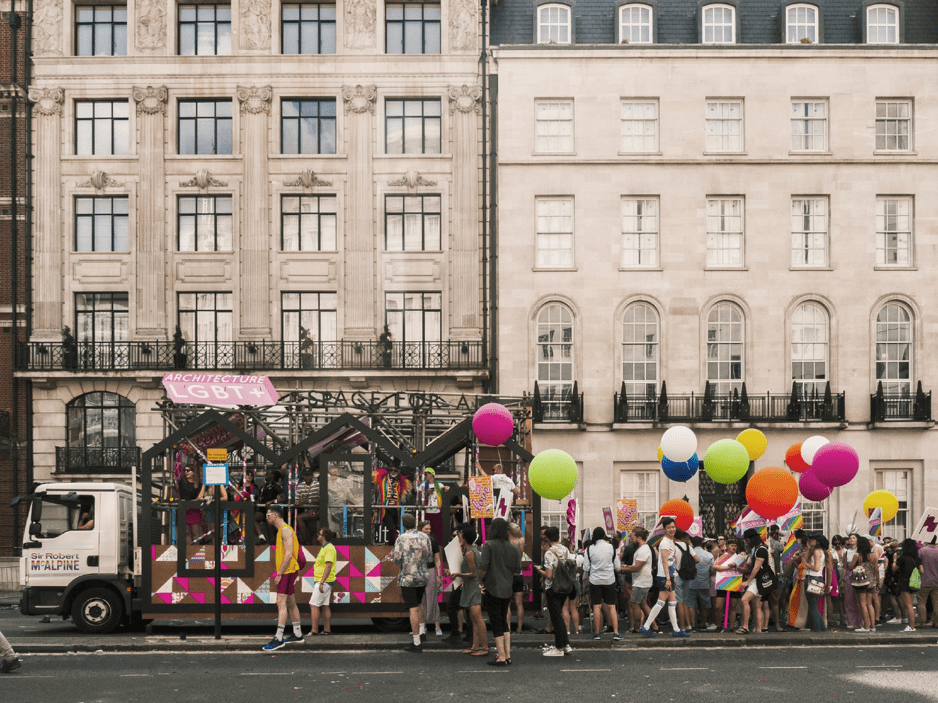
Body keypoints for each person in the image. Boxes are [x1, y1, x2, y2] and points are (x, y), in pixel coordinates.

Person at [479, 517, 522, 666]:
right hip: (507, 588)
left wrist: (479, 581)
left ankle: (501, 656)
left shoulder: (488, 545)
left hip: (492, 587)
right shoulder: (513, 547)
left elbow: (483, 567)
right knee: (504, 621)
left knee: (496, 622)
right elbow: (517, 570)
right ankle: (508, 655)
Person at [262, 505, 304, 651]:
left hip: (287, 571)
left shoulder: (285, 530)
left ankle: (278, 638)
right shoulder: (283, 530)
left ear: (276, 515)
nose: (267, 518)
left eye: (269, 515)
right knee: (291, 602)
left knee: (281, 602)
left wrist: (279, 573)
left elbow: (288, 554)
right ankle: (298, 634)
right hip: (289, 570)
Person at [640, 518, 689, 638]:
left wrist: (674, 577)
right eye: (669, 528)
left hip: (669, 576)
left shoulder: (670, 541)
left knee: (672, 603)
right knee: (661, 602)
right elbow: (665, 561)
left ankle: (676, 629)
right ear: (664, 529)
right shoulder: (665, 543)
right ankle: (646, 627)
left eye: (673, 527)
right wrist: (668, 578)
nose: (672, 529)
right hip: (664, 576)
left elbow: (671, 562)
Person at [392, 513, 432, 653]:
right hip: (422, 576)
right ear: (415, 523)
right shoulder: (425, 537)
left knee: (412, 609)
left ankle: (416, 642)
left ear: (403, 525)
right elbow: (429, 556)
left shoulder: (401, 539)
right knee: (419, 603)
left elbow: (396, 559)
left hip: (408, 578)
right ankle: (422, 631)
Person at [534, 526, 574, 657]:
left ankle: (559, 647)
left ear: (547, 538)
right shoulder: (565, 549)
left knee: (556, 618)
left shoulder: (549, 553)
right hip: (565, 587)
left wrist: (539, 570)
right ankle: (566, 645)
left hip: (553, 588)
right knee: (559, 617)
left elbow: (549, 575)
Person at [448, 527, 487, 656]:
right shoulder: (473, 551)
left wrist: (458, 574)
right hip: (471, 586)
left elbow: (473, 574)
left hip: (473, 587)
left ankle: (485, 648)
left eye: (460, 535)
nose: (459, 538)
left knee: (478, 618)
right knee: (473, 618)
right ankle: (475, 646)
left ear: (465, 538)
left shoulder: (470, 553)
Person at [583, 526, 622, 640]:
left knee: (597, 606)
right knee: (611, 606)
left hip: (595, 580)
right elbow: (617, 566)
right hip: (609, 579)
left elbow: (586, 567)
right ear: (604, 535)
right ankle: (615, 632)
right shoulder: (611, 547)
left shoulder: (589, 549)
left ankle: (597, 633)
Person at [621, 526, 654, 634]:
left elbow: (637, 567)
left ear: (639, 538)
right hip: (642, 581)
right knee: (643, 604)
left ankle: (637, 628)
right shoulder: (642, 549)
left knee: (634, 604)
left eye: (633, 537)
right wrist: (627, 567)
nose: (631, 539)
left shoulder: (643, 549)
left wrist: (623, 568)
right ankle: (654, 625)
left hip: (641, 582)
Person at [373, 459, 413, 544]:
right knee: (391, 528)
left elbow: (408, 491)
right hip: (384, 508)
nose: (393, 472)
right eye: (391, 470)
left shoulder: (401, 482)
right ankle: (391, 545)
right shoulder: (383, 479)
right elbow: (373, 477)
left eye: (395, 470)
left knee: (395, 527)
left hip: (395, 509)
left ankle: (393, 544)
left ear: (398, 471)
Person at [739, 528, 769, 634]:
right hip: (760, 581)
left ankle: (745, 626)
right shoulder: (759, 549)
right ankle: (758, 629)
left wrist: (748, 581)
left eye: (747, 540)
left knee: (744, 600)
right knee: (757, 605)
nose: (746, 542)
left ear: (752, 539)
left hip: (758, 580)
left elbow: (756, 567)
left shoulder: (760, 550)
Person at [417, 520, 443, 638]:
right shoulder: (416, 541)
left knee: (432, 598)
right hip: (419, 572)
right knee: (421, 600)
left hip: (431, 570)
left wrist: (439, 575)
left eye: (429, 529)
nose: (428, 531)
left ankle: (437, 626)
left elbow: (437, 559)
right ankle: (423, 628)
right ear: (420, 529)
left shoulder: (433, 540)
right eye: (426, 529)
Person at [309, 527, 336, 636]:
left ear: (324, 536)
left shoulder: (329, 548)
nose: (317, 536)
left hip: (323, 581)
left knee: (313, 605)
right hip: (325, 581)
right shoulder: (325, 548)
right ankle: (326, 630)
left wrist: (321, 582)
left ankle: (314, 631)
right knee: (325, 605)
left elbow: (328, 566)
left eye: (319, 534)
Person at [850, 535, 879, 633]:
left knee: (863, 604)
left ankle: (866, 626)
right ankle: (873, 626)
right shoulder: (873, 556)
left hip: (861, 582)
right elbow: (876, 570)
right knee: (870, 604)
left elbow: (850, 567)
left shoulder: (857, 555)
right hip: (871, 582)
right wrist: (877, 581)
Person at [892, 538, 922, 632]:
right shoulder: (917, 559)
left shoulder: (902, 558)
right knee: (911, 605)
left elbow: (894, 569)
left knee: (908, 606)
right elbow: (921, 570)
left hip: (905, 582)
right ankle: (911, 626)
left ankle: (911, 626)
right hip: (913, 582)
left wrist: (894, 560)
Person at [688, 535, 714, 630]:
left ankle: (692, 623)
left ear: (692, 543)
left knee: (690, 604)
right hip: (704, 582)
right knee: (705, 604)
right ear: (702, 543)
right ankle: (703, 622)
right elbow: (712, 569)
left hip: (691, 582)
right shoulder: (709, 555)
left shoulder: (690, 553)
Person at [255, 469, 286, 544]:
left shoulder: (276, 487)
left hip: (270, 511)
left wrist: (272, 501)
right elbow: (259, 499)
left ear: (271, 476)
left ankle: (273, 550)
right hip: (262, 510)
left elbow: (284, 498)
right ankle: (261, 537)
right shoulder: (263, 487)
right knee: (253, 518)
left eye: (267, 474)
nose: (265, 476)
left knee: (270, 532)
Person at [178, 464, 206, 545]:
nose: (186, 472)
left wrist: (190, 502)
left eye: (188, 470)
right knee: (187, 532)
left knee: (195, 532)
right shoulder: (182, 482)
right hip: (184, 509)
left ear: (194, 472)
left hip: (194, 509)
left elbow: (199, 498)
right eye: (185, 470)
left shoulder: (198, 484)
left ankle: (196, 551)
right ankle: (189, 551)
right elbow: (182, 495)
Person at [508, 522, 526, 633]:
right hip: (519, 575)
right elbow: (522, 535)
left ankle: (508, 628)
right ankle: (519, 628)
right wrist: (517, 528)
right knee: (519, 604)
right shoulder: (521, 542)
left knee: (507, 605)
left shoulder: (505, 543)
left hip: (508, 576)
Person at [295, 467, 320, 545]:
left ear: (312, 475)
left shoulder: (318, 484)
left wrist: (307, 501)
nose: (308, 477)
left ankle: (304, 541)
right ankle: (308, 545)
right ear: (303, 476)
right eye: (306, 475)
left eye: (309, 475)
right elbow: (296, 500)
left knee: (299, 518)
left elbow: (321, 499)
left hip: (316, 511)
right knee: (312, 532)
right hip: (305, 511)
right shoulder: (300, 486)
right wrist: (298, 502)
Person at [917, 538, 938, 629]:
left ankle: (922, 622)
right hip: (936, 581)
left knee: (921, 602)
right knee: (936, 603)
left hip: (924, 580)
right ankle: (936, 622)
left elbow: (917, 563)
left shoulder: (922, 550)